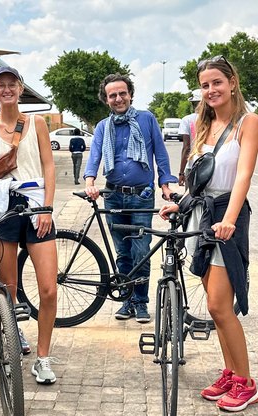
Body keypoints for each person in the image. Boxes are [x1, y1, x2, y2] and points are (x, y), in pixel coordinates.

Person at [159, 56, 258, 412]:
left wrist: (230, 219)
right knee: (214, 304)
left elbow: (244, 175)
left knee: (220, 303)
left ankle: (247, 383)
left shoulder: (248, 122)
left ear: (233, 82)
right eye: (205, 85)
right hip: (200, 216)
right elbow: (200, 179)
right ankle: (231, 372)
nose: (211, 90)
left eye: (217, 82)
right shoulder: (203, 126)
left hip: (225, 216)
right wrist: (181, 204)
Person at [0, 66, 59, 384]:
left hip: (36, 206)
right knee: (8, 291)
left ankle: (43, 358)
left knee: (48, 289)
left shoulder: (37, 123)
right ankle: (11, 338)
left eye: (12, 84)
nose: (6, 89)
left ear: (20, 89)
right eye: (0, 85)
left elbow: (49, 166)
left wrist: (48, 207)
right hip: (2, 206)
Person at [84, 73, 176, 323]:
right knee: (122, 252)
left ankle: (141, 302)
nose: (118, 98)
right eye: (112, 95)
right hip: (113, 196)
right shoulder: (104, 126)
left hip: (142, 196)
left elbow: (160, 152)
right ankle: (126, 301)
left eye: (122, 93)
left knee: (141, 251)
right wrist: (90, 181)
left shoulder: (146, 119)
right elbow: (94, 156)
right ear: (107, 99)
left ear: (130, 94)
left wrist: (165, 185)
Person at [178, 90, 201, 187]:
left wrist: (181, 172)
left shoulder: (187, 120)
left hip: (192, 166)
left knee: (191, 199)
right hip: (210, 167)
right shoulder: (214, 118)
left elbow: (187, 147)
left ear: (193, 104)